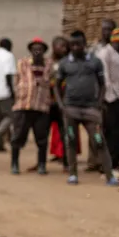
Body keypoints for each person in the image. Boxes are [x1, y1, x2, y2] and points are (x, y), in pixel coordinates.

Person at [56, 30, 119, 186]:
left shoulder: (95, 61)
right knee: (71, 140)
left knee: (99, 141)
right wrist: (61, 105)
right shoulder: (65, 63)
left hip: (91, 110)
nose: (75, 47)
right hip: (71, 109)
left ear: (84, 44)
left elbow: (102, 84)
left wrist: (99, 103)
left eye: (78, 44)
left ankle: (109, 176)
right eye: (72, 45)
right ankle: (72, 174)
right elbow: (56, 85)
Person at [10, 38, 54, 175]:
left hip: (41, 107)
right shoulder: (22, 63)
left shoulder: (49, 65)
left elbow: (52, 83)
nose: (37, 52)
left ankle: (41, 165)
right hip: (23, 106)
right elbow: (17, 81)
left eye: (40, 49)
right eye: (34, 49)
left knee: (42, 138)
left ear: (44, 51)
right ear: (30, 51)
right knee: (17, 137)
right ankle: (14, 164)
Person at [95, 20, 119, 176]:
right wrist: (107, 99)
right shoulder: (105, 54)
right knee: (114, 134)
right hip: (111, 100)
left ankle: (109, 166)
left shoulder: (115, 54)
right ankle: (109, 167)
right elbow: (104, 79)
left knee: (116, 134)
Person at [49, 36, 76, 167]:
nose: (63, 49)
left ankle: (67, 160)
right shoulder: (49, 62)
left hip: (66, 101)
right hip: (50, 102)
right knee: (47, 133)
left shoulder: (70, 62)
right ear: (54, 47)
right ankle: (45, 160)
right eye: (60, 46)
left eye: (65, 46)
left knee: (66, 131)